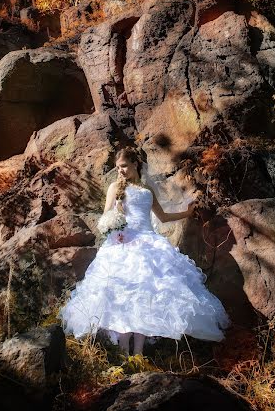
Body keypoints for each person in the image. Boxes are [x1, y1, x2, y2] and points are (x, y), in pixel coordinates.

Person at [57, 146, 230, 356]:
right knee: (122, 295)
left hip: (149, 244)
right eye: (117, 167)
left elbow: (163, 217)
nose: (120, 171)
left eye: (123, 166)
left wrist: (187, 212)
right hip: (122, 245)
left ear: (135, 164)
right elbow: (105, 217)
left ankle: (138, 354)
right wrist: (113, 229)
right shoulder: (114, 188)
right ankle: (123, 352)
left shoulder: (147, 190)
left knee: (145, 296)